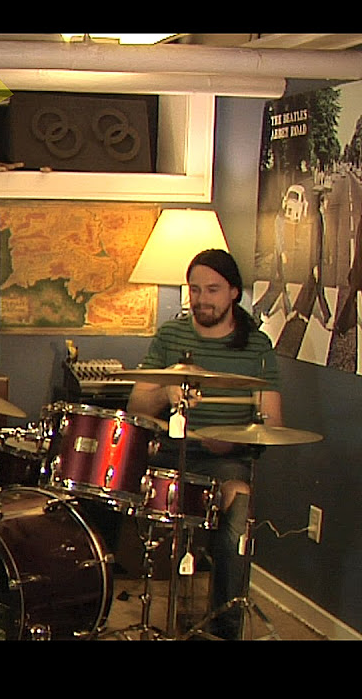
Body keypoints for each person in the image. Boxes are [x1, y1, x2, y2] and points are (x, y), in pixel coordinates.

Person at [127, 248, 283, 641]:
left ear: (234, 293)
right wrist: (165, 392)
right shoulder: (170, 335)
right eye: (194, 289)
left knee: (239, 513)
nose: (201, 299)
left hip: (227, 462)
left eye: (212, 290)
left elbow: (273, 422)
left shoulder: (257, 346)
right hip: (170, 454)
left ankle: (224, 626)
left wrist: (230, 439)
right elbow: (137, 406)